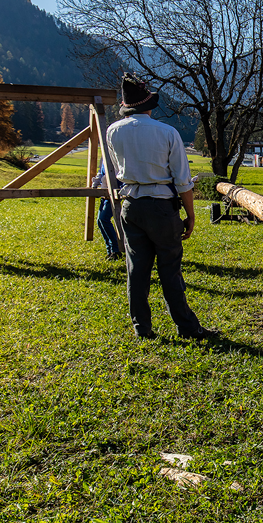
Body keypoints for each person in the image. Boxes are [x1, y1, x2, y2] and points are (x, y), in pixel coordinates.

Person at [105, 74, 216, 340]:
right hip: (161, 207)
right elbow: (182, 180)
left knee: (137, 269)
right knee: (170, 268)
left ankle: (141, 328)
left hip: (130, 205)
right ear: (149, 105)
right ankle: (187, 327)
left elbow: (117, 169)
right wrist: (190, 215)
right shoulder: (167, 133)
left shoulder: (113, 131)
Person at [92, 162, 122, 260]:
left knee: (104, 219)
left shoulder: (115, 154)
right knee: (100, 221)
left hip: (113, 192)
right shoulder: (104, 157)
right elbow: (101, 172)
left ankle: (116, 250)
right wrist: (95, 186)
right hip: (104, 192)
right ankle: (110, 251)